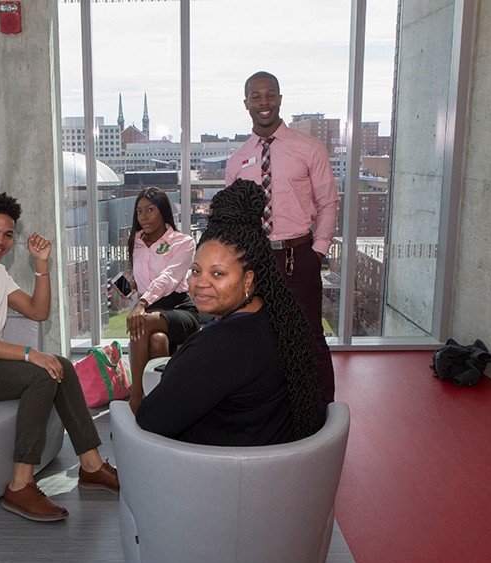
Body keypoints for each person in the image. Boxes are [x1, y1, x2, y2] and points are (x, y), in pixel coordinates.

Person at [0, 191, 119, 522]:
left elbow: (37, 310)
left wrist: (41, 265)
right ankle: (20, 484)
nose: (0, 241)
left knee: (60, 364)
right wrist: (30, 354)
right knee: (41, 372)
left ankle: (91, 464)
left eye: (7, 234)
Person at [136, 179, 324, 445]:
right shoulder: (276, 319)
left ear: (248, 279)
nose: (200, 282)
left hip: (226, 475)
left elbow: (149, 420)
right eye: (196, 270)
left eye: (218, 273)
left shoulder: (221, 347)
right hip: (270, 463)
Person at [225, 70, 340, 404]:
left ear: (279, 98)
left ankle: (321, 415)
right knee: (258, 340)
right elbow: (232, 217)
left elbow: (328, 202)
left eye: (270, 94)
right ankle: (272, 411)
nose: (264, 102)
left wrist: (316, 252)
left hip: (297, 256)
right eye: (256, 96)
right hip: (253, 261)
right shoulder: (237, 161)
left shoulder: (309, 149)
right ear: (246, 103)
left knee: (308, 338)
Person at [122, 187, 201, 413]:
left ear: (163, 211)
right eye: (139, 212)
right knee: (157, 340)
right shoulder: (135, 242)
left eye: (150, 210)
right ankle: (163, 405)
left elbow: (168, 279)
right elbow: (140, 280)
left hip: (179, 309)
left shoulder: (182, 242)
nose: (143, 217)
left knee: (142, 321)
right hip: (150, 310)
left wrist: (142, 303)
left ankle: (135, 400)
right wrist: (131, 288)